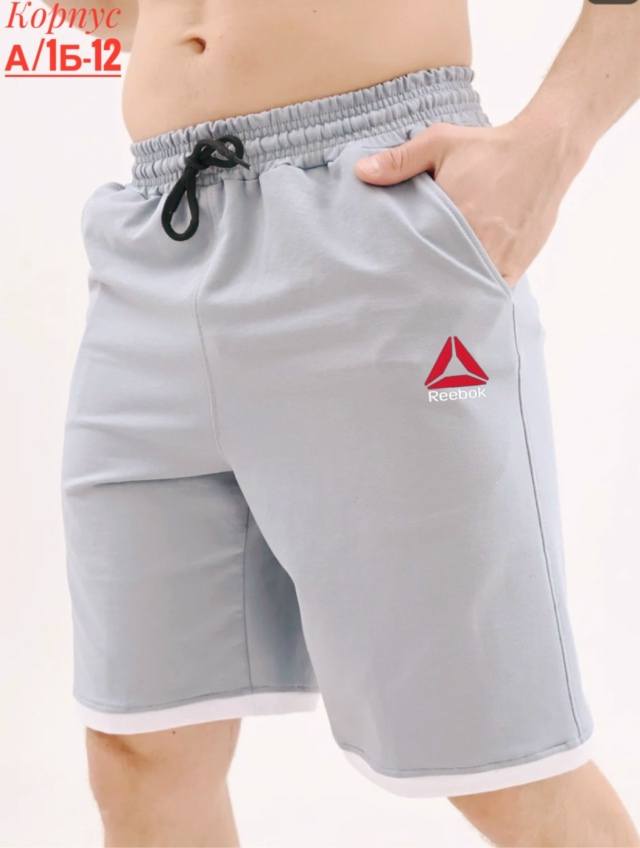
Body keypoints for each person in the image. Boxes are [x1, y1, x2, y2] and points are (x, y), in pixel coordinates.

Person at [53, 0, 640, 845]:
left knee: (508, 767)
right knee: (139, 746)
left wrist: (554, 138)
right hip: (156, 228)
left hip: (373, 208)